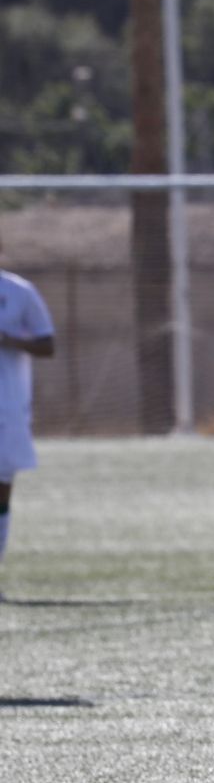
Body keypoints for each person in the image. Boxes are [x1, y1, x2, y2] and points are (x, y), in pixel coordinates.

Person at [0, 250, 56, 602]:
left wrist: (8, 340)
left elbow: (47, 342)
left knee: (2, 489)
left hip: (7, 407)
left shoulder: (20, 291)